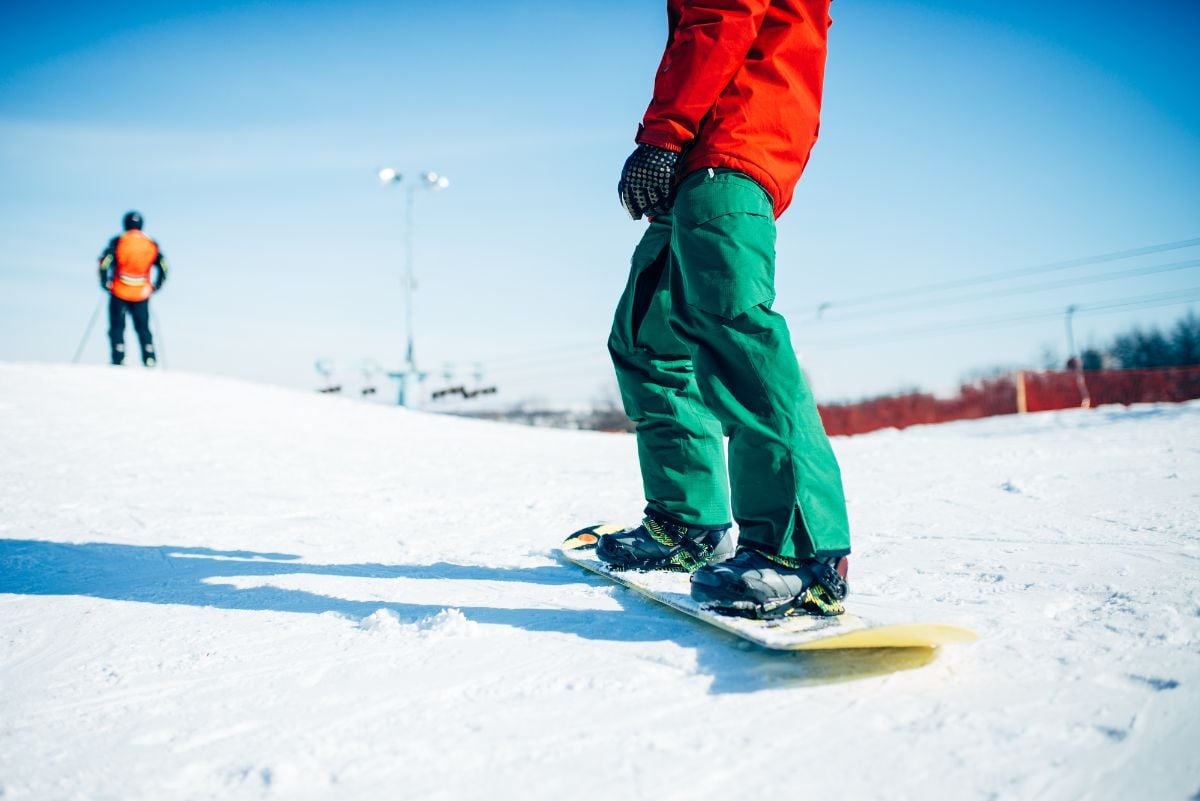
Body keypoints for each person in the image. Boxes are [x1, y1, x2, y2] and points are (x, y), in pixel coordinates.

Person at [595, 0, 852, 619]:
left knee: (734, 327)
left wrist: (663, 134)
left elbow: (720, 16)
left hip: (731, 144)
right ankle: (687, 524)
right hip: (699, 157)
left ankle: (798, 552)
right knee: (644, 341)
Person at [98, 211, 168, 367]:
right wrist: (156, 285)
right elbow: (164, 266)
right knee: (143, 327)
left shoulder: (119, 241)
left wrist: (105, 282)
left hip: (119, 291)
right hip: (142, 293)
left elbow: (104, 262)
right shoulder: (150, 244)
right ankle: (149, 357)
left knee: (117, 326)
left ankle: (119, 356)